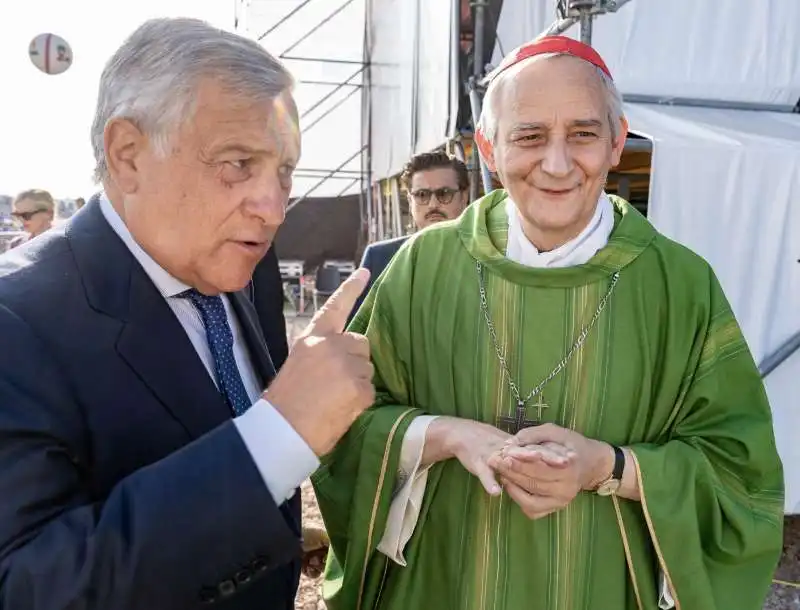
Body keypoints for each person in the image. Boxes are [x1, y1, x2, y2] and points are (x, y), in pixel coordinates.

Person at [312, 36, 784, 610]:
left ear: (616, 142)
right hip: (444, 584)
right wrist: (439, 435)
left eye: (583, 134)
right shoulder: (423, 267)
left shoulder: (679, 284)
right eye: (529, 136)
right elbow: (339, 431)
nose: (557, 164)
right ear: (488, 146)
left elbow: (740, 473)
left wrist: (609, 467)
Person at [0, 18, 374, 610]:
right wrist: (278, 437)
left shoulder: (241, 269)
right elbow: (33, 586)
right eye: (237, 164)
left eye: (284, 170)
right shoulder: (15, 320)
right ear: (128, 155)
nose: (274, 208)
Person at [351, 151, 470, 319]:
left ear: (464, 197)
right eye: (422, 195)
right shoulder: (380, 258)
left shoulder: (490, 257)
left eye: (444, 193)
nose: (433, 204)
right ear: (410, 200)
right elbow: (355, 332)